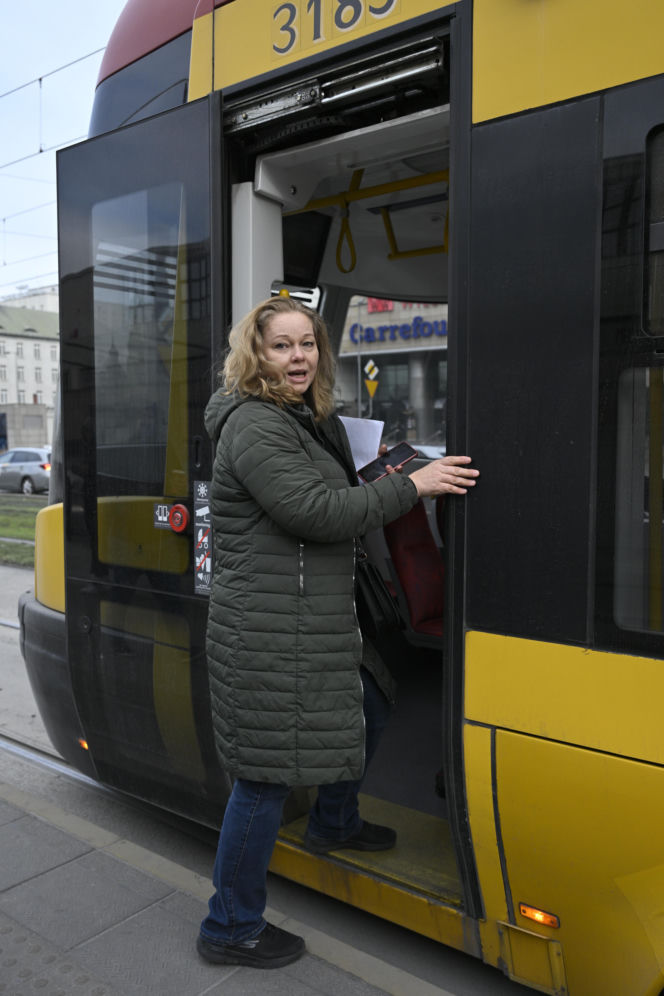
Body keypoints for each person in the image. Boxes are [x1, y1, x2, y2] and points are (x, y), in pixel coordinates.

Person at [196, 294, 479, 969]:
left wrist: (377, 465)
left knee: (371, 705)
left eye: (308, 344)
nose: (298, 357)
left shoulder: (299, 417)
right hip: (267, 630)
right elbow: (318, 512)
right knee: (263, 781)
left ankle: (333, 823)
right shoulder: (254, 425)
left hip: (308, 621)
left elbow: (329, 486)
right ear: (255, 355)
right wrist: (415, 485)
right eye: (282, 346)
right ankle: (229, 925)